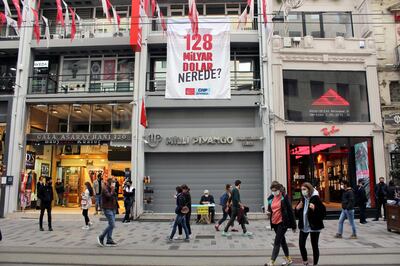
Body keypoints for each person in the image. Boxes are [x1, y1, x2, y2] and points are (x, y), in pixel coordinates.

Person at [265, 181, 296, 266]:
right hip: (274, 222)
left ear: (279, 189)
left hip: (283, 223)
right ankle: (288, 259)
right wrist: (269, 212)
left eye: (275, 190)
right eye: (272, 190)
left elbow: (290, 211)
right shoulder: (271, 198)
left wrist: (293, 225)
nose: (274, 192)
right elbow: (270, 209)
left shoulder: (284, 197)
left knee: (277, 241)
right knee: (282, 241)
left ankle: (272, 261)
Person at [295, 182, 326, 266]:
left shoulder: (315, 198)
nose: (303, 191)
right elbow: (297, 214)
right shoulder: (302, 199)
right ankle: (305, 261)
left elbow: (323, 213)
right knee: (301, 244)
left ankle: (315, 264)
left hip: (314, 226)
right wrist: (297, 208)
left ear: (309, 190)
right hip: (304, 226)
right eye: (301, 189)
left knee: (314, 246)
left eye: (304, 189)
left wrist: (315, 208)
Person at [97, 178, 118, 247]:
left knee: (111, 224)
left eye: (114, 183)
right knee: (112, 224)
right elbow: (108, 196)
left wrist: (114, 190)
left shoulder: (111, 188)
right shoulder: (104, 189)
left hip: (113, 208)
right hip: (107, 208)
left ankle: (109, 239)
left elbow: (114, 196)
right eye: (112, 183)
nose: (113, 184)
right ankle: (101, 237)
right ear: (109, 183)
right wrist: (112, 190)